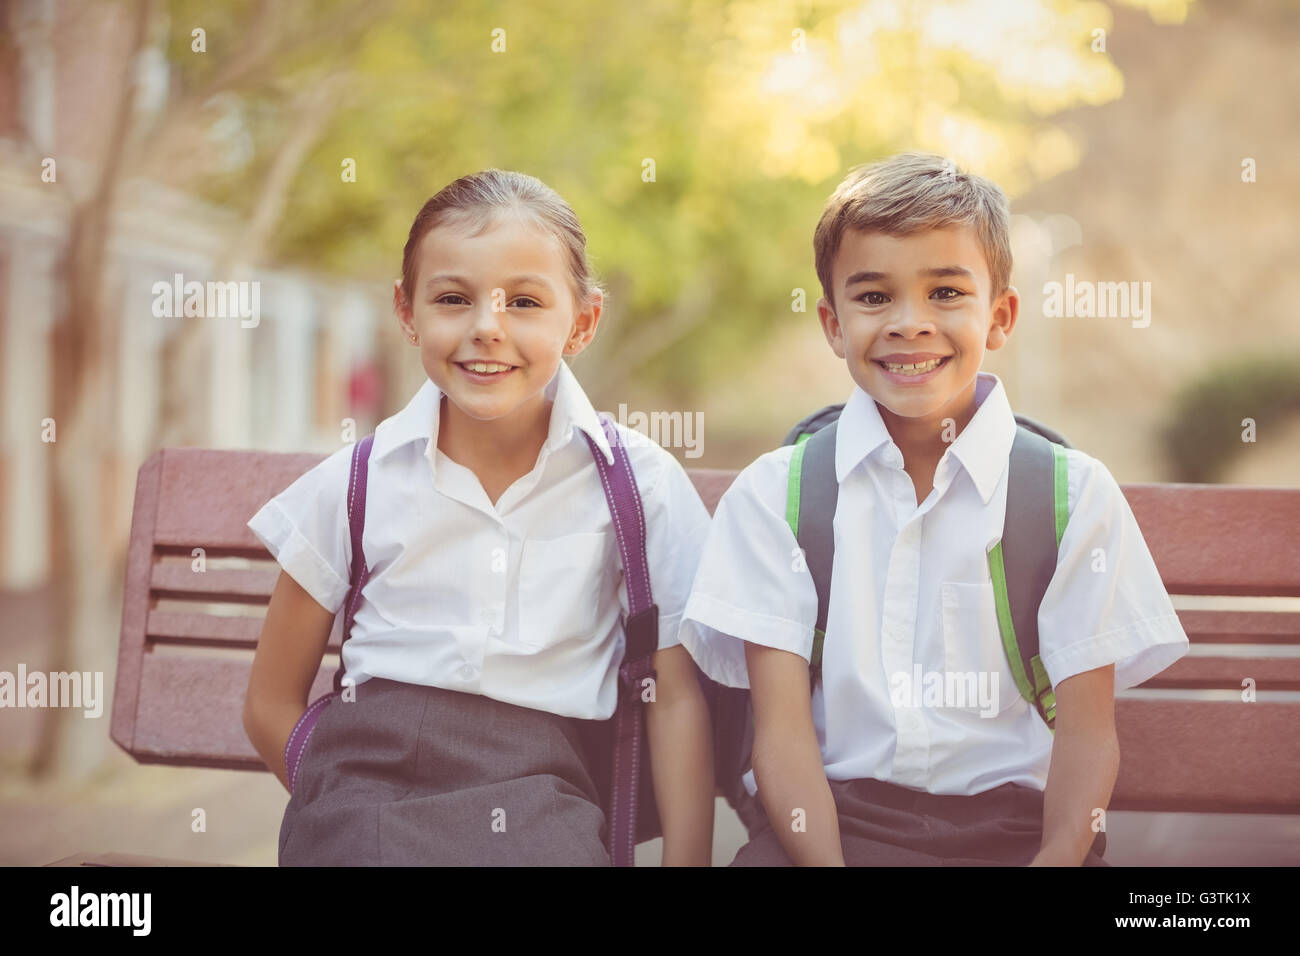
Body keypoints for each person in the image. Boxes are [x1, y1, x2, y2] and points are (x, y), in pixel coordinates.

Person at [678, 152, 1189, 866]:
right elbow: (783, 736)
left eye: (946, 292)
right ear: (832, 323)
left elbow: (1087, 734)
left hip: (1016, 835)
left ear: (1001, 315)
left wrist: (1058, 854)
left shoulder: (1075, 499)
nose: (910, 324)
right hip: (830, 826)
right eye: (874, 297)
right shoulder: (776, 497)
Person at [243, 169, 715, 866]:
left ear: (582, 321)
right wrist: (334, 800)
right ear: (407, 312)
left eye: (524, 301)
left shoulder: (639, 487)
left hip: (543, 798)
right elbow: (270, 701)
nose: (486, 328)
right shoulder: (354, 485)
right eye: (453, 299)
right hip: (365, 796)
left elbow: (676, 701)